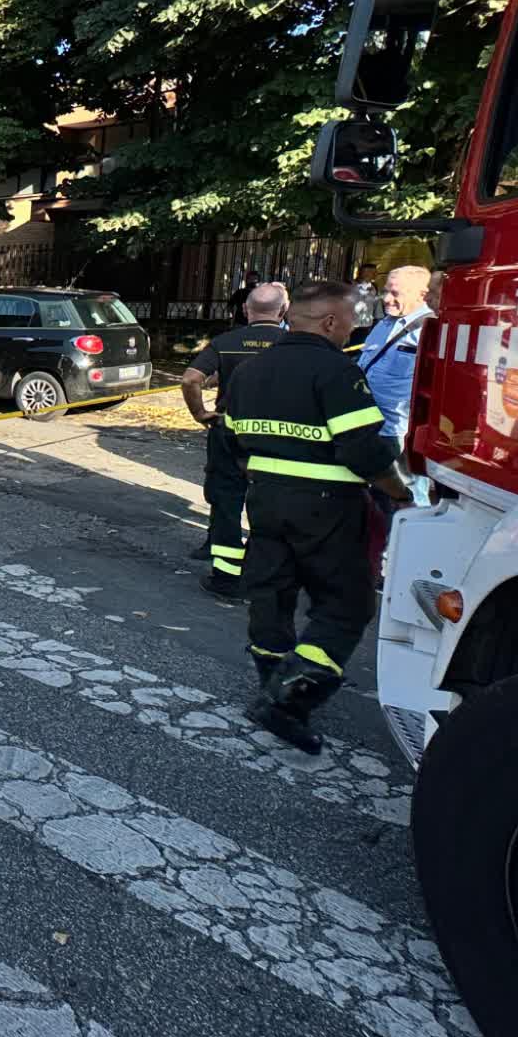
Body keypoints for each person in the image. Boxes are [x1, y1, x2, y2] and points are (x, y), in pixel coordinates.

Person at [223, 281, 411, 754]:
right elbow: (363, 451)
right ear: (330, 322)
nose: (354, 328)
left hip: (264, 500)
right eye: (350, 320)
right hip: (328, 506)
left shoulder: (249, 371)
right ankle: (287, 701)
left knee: (272, 593)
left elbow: (232, 445)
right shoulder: (337, 371)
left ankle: (271, 679)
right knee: (347, 605)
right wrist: (403, 496)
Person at [181, 284, 289, 598]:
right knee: (270, 505)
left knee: (227, 504)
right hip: (279, 438)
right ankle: (261, 573)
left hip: (229, 432)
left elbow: (190, 378)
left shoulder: (226, 342)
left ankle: (227, 578)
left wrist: (200, 413)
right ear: (283, 311)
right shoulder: (294, 345)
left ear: (246, 310)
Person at [358, 265, 433, 507]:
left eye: (396, 293)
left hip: (400, 432)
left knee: (408, 500)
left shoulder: (430, 328)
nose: (387, 299)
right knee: (377, 501)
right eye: (386, 292)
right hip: (371, 426)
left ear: (421, 294)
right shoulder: (384, 324)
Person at [349, 262, 382, 347]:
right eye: (372, 272)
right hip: (348, 325)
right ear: (363, 273)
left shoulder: (374, 288)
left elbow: (377, 308)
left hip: (365, 328)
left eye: (375, 273)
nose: (375, 275)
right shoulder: (348, 286)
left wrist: (377, 326)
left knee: (357, 350)